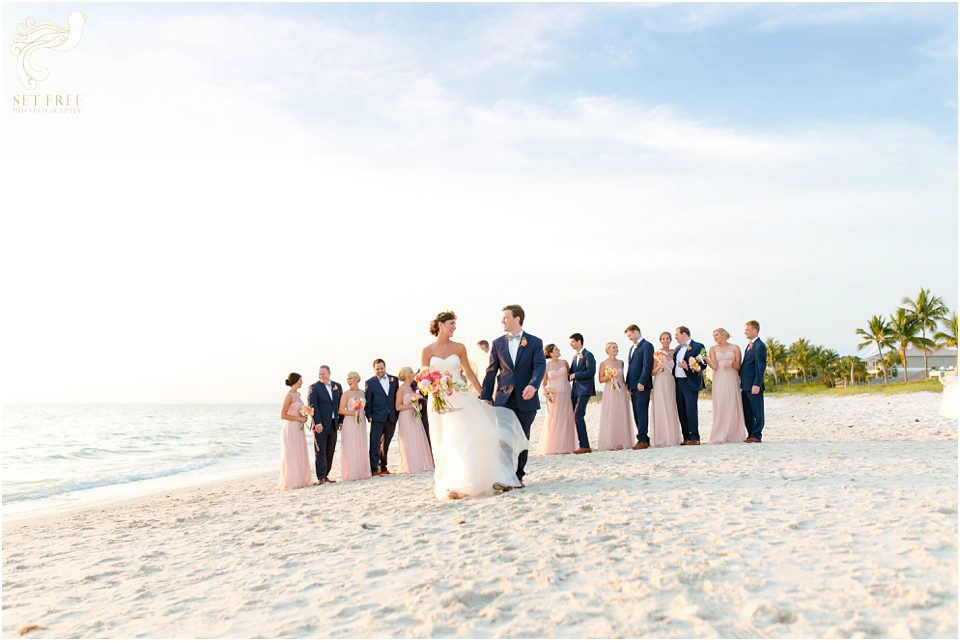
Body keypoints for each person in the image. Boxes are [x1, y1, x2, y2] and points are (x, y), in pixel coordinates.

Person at [424, 310, 529, 499]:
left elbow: (469, 374)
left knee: (463, 437)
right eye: (451, 324)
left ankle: (466, 481)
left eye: (455, 324)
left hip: (460, 396)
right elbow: (423, 375)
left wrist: (483, 394)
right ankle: (450, 483)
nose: (454, 328)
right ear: (441, 325)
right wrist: (430, 387)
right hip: (438, 399)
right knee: (444, 439)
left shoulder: (459, 348)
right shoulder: (427, 351)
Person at [481, 304, 546, 487]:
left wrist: (533, 386)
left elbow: (539, 367)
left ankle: (518, 476)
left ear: (517, 318)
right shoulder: (497, 343)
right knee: (503, 437)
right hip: (503, 399)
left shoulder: (535, 342)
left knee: (522, 438)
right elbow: (491, 371)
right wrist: (485, 396)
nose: (502, 321)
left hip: (527, 398)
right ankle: (505, 475)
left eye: (505, 317)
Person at [708, 328, 747, 443]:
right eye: (714, 335)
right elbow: (714, 366)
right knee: (721, 404)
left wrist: (732, 364)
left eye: (717, 335)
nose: (715, 337)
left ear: (724, 335)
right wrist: (706, 359)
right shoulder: (712, 349)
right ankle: (719, 433)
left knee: (732, 403)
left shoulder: (735, 347)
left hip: (732, 377)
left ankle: (734, 434)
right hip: (719, 378)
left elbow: (739, 366)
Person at [395, 367, 434, 473]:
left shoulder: (413, 389)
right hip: (405, 417)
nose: (414, 374)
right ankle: (410, 465)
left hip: (415, 416)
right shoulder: (401, 389)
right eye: (412, 372)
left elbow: (417, 402)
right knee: (408, 440)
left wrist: (418, 406)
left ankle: (420, 463)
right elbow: (398, 407)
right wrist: (411, 406)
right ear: (408, 375)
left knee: (416, 438)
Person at [307, 366, 342, 484]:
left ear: (329, 373)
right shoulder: (314, 387)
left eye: (323, 373)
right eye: (319, 374)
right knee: (320, 451)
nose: (321, 376)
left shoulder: (337, 386)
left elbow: (340, 405)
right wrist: (317, 422)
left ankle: (326, 475)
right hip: (320, 425)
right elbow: (313, 406)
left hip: (333, 424)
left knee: (330, 450)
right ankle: (321, 477)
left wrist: (340, 421)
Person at [364, 359, 398, 476]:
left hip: (391, 417)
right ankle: (374, 470)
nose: (380, 371)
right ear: (374, 369)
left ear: (385, 367)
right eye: (377, 369)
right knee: (374, 444)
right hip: (377, 418)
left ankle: (383, 467)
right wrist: (369, 416)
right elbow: (368, 401)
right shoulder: (370, 382)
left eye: (381, 368)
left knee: (386, 444)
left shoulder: (394, 380)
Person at [540, 344, 576, 455]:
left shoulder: (564, 362)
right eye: (556, 349)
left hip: (566, 394)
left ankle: (567, 445)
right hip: (554, 396)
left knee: (567, 418)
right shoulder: (546, 366)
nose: (559, 350)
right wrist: (546, 391)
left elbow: (570, 376)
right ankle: (554, 446)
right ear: (551, 353)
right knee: (555, 419)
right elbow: (544, 383)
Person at [597, 342, 634, 451]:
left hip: (621, 389)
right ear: (608, 350)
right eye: (614, 347)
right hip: (610, 391)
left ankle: (623, 441)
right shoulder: (603, 363)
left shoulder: (621, 363)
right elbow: (600, 379)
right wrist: (609, 376)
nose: (616, 349)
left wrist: (627, 389)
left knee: (622, 413)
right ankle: (612, 442)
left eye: (617, 347)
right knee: (612, 414)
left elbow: (622, 377)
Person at [674, 326, 707, 445]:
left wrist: (687, 367)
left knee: (691, 410)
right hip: (678, 383)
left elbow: (703, 365)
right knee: (681, 410)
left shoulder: (699, 346)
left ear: (684, 334)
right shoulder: (678, 349)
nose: (675, 337)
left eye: (677, 334)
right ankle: (686, 437)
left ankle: (695, 437)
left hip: (690, 383)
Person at [279, 373, 312, 490]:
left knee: (299, 452)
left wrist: (305, 413)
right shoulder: (289, 396)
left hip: (299, 428)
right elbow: (283, 415)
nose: (302, 382)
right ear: (295, 381)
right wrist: (299, 418)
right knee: (292, 454)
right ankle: (292, 481)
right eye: (300, 380)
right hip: (291, 428)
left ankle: (301, 479)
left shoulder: (298, 395)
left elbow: (299, 410)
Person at [649, 332, 683, 447]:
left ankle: (672, 437)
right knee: (661, 407)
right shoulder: (657, 353)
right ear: (660, 340)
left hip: (671, 381)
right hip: (659, 381)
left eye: (667, 338)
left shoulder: (675, 352)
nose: (665, 340)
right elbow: (652, 372)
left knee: (671, 406)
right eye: (663, 339)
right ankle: (661, 438)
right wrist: (659, 365)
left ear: (670, 340)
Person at [624, 324, 654, 449]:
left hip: (642, 385)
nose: (629, 338)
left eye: (630, 335)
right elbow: (631, 367)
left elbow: (647, 366)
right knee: (636, 412)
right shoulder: (632, 348)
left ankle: (642, 439)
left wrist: (642, 381)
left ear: (636, 332)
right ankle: (644, 439)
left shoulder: (647, 345)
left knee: (641, 412)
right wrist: (627, 383)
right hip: (632, 385)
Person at [338, 372, 372, 481]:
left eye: (350, 378)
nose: (348, 381)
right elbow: (341, 410)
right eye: (347, 379)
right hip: (350, 422)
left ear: (357, 379)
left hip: (361, 422)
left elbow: (366, 408)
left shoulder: (362, 392)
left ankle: (361, 471)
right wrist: (354, 414)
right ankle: (352, 473)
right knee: (351, 446)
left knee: (360, 444)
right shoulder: (346, 394)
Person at [568, 333, 597, 454]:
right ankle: (582, 444)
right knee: (575, 416)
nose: (571, 345)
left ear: (579, 341)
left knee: (578, 415)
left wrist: (576, 375)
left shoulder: (588, 355)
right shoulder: (575, 357)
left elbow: (591, 372)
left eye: (572, 342)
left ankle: (585, 446)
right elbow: (570, 373)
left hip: (585, 389)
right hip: (575, 390)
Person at [741, 320, 767, 443]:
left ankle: (756, 435)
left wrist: (757, 384)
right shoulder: (749, 345)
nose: (745, 332)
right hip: (745, 385)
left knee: (757, 411)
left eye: (747, 330)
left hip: (753, 385)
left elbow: (760, 367)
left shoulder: (760, 346)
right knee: (748, 412)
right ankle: (751, 433)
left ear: (755, 330)